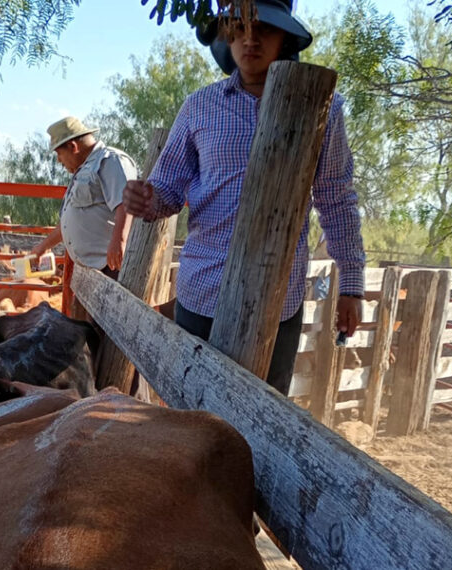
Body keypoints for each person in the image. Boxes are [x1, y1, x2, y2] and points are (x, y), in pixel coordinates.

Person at [122, 0, 366, 396]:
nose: (250, 39)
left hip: (276, 301)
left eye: (264, 29)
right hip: (202, 293)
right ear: (225, 35)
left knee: (264, 426)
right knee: (189, 418)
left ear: (284, 36)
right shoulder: (199, 107)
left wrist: (352, 286)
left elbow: (336, 198)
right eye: (239, 28)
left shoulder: (321, 107)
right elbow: (167, 189)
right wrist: (145, 200)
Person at [31, 116, 138, 281]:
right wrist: (44, 246)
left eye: (59, 154)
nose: (59, 161)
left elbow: (127, 202)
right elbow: (72, 220)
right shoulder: (84, 170)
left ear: (73, 146)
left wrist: (119, 241)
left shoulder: (110, 161)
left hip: (112, 266)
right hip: (92, 269)